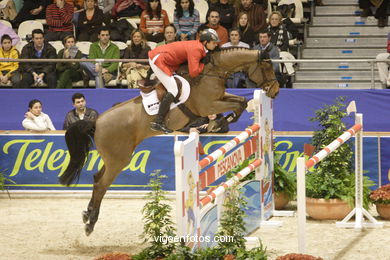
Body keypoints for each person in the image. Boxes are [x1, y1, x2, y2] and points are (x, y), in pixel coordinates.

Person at [148, 28, 220, 133]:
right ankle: (158, 122)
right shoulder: (197, 49)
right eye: (214, 42)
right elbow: (194, 72)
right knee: (173, 89)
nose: (216, 44)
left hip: (166, 59)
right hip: (158, 59)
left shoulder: (199, 46)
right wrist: (203, 64)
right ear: (205, 42)